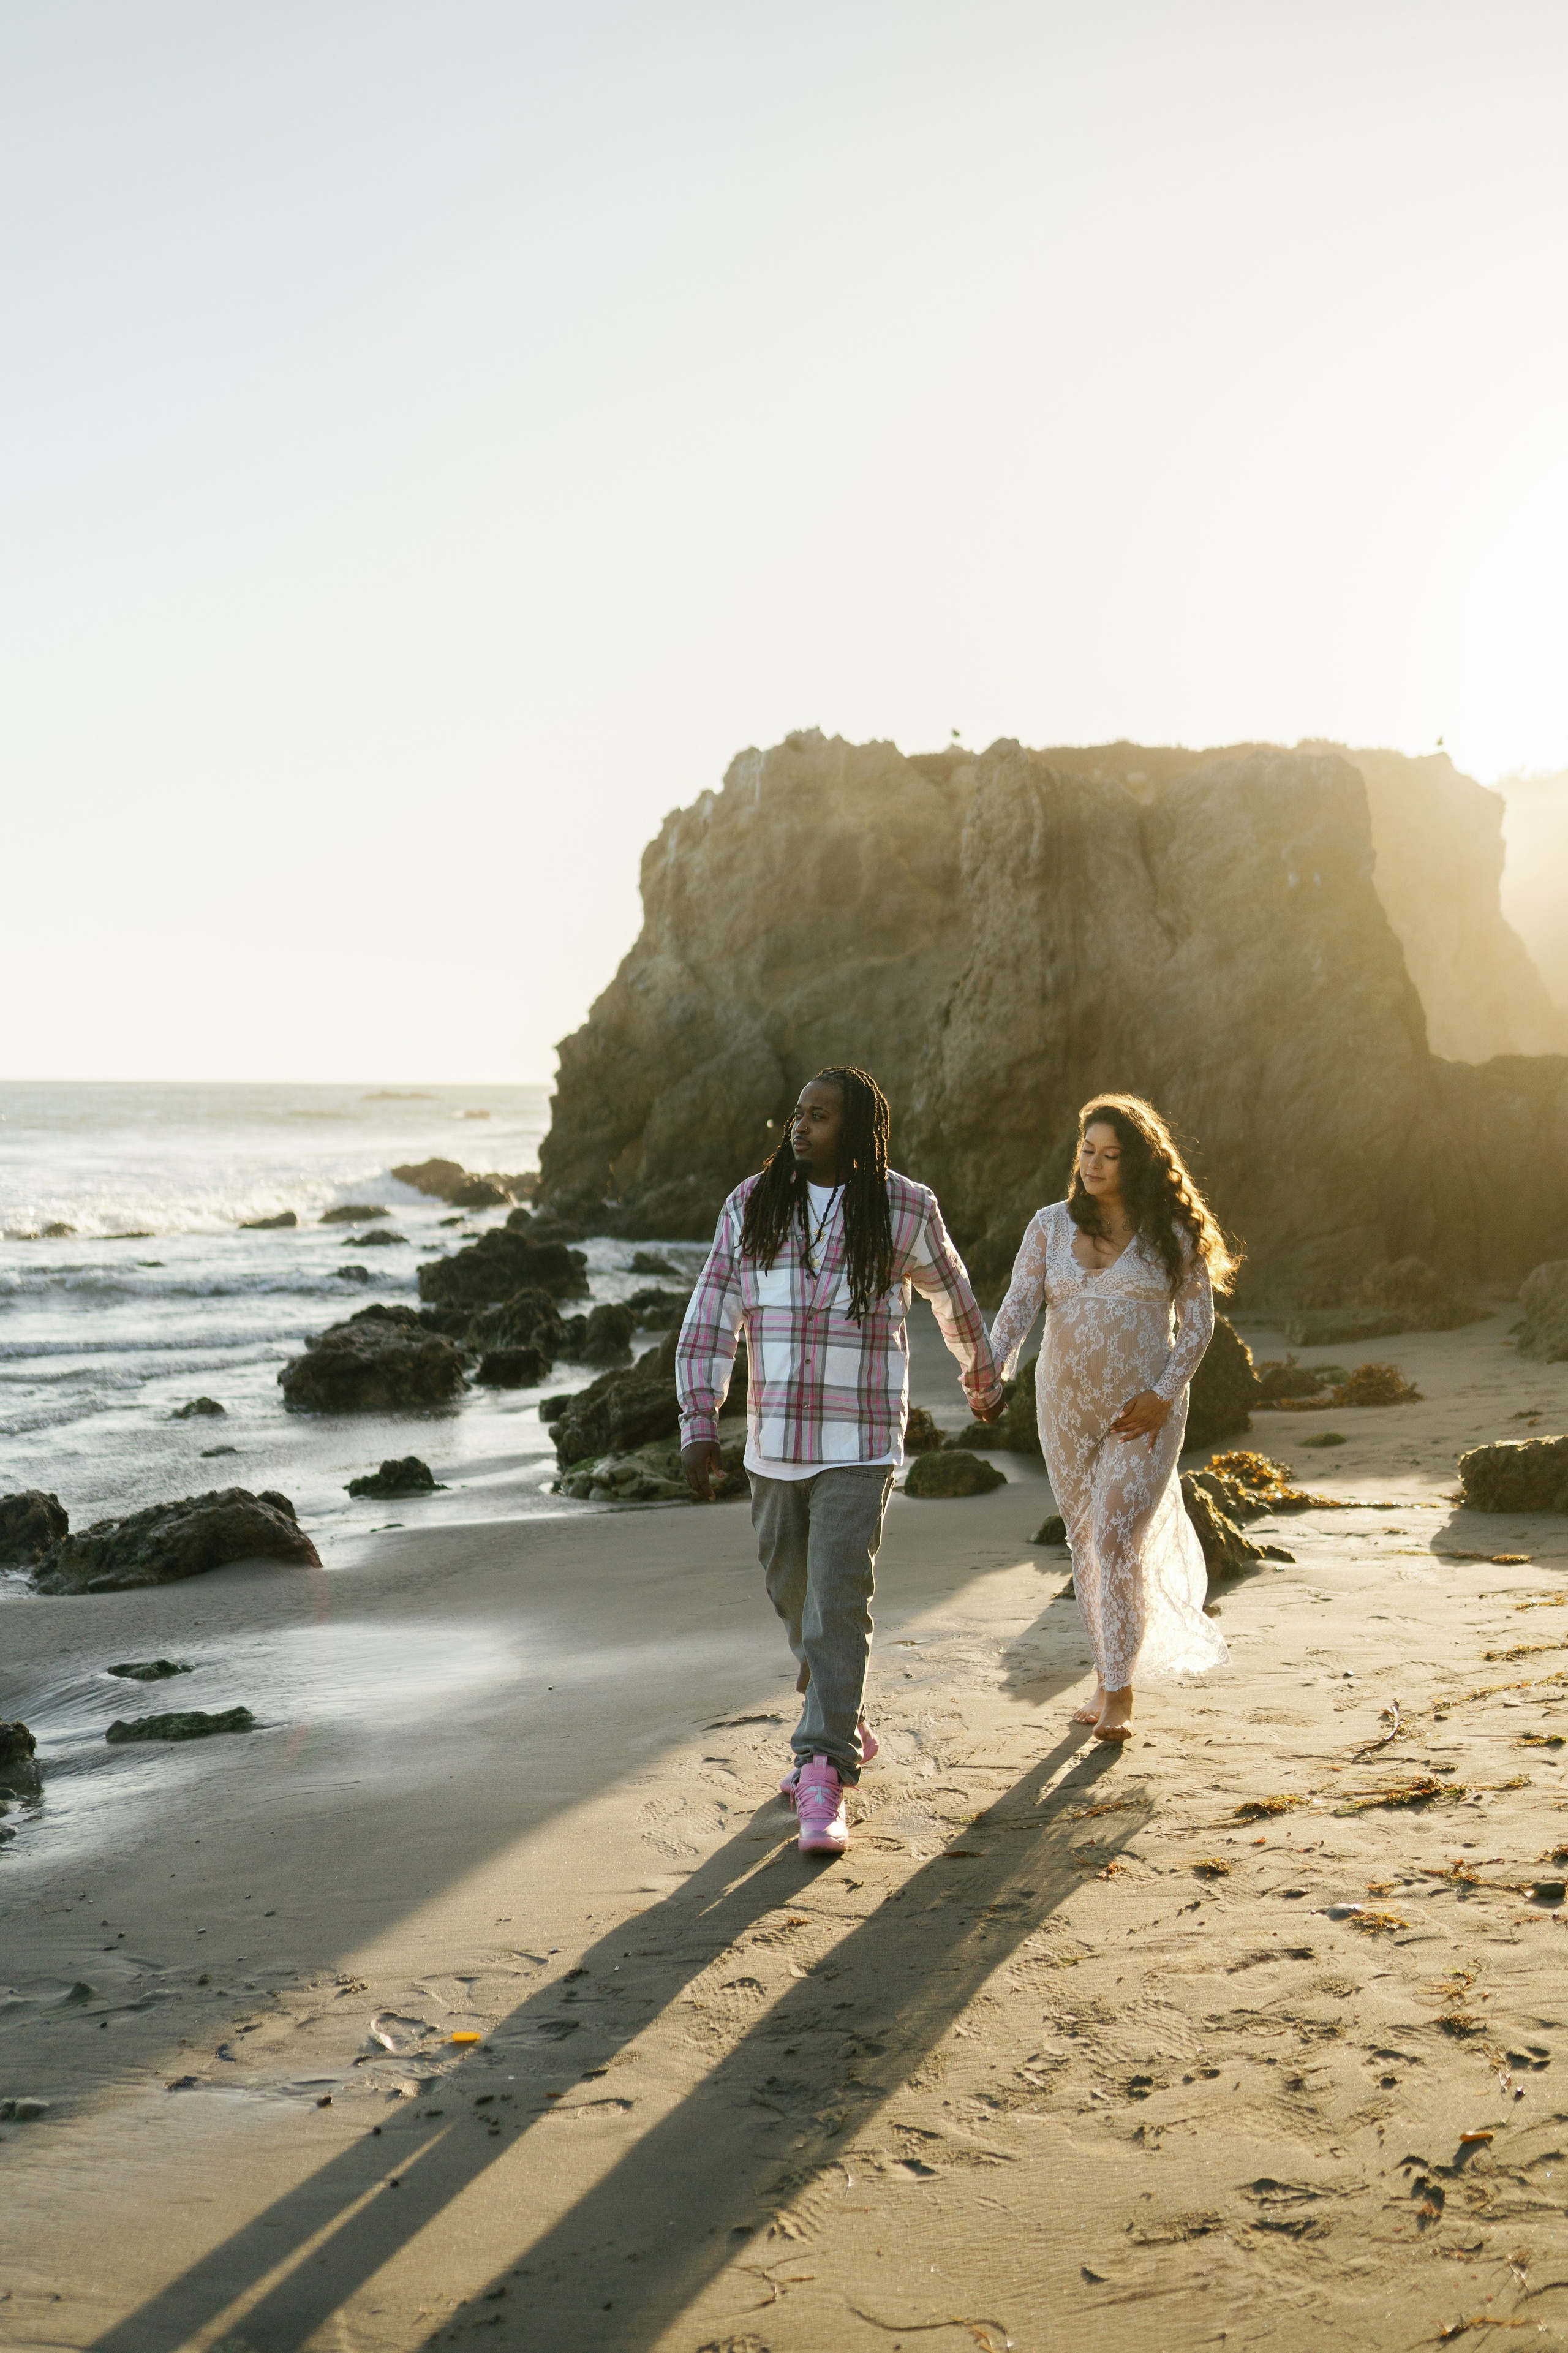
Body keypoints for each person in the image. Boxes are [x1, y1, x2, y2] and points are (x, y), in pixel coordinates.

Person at [677, 1066, 1003, 1856]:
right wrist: (698, 1418)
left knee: (838, 1594)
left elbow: (951, 1294)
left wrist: (981, 1374)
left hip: (859, 1441)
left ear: (854, 1130)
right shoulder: (751, 1205)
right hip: (775, 1443)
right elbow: (712, 1311)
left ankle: (822, 1769)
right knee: (795, 1593)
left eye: (819, 1116)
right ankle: (839, 1704)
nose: (800, 1127)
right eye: (796, 1113)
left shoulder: (903, 1207)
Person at [989, 1092, 1235, 1744]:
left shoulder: (1171, 1233)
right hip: (1063, 1408)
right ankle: (1105, 1675)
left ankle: (1119, 1695)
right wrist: (990, 1375)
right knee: (1084, 1546)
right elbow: (1015, 1312)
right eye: (1087, 1151)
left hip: (1143, 1412)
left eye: (1111, 1154)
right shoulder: (1047, 1226)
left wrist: (1162, 1392)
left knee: (1115, 1538)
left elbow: (1198, 1326)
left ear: (1140, 1162)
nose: (1094, 1164)